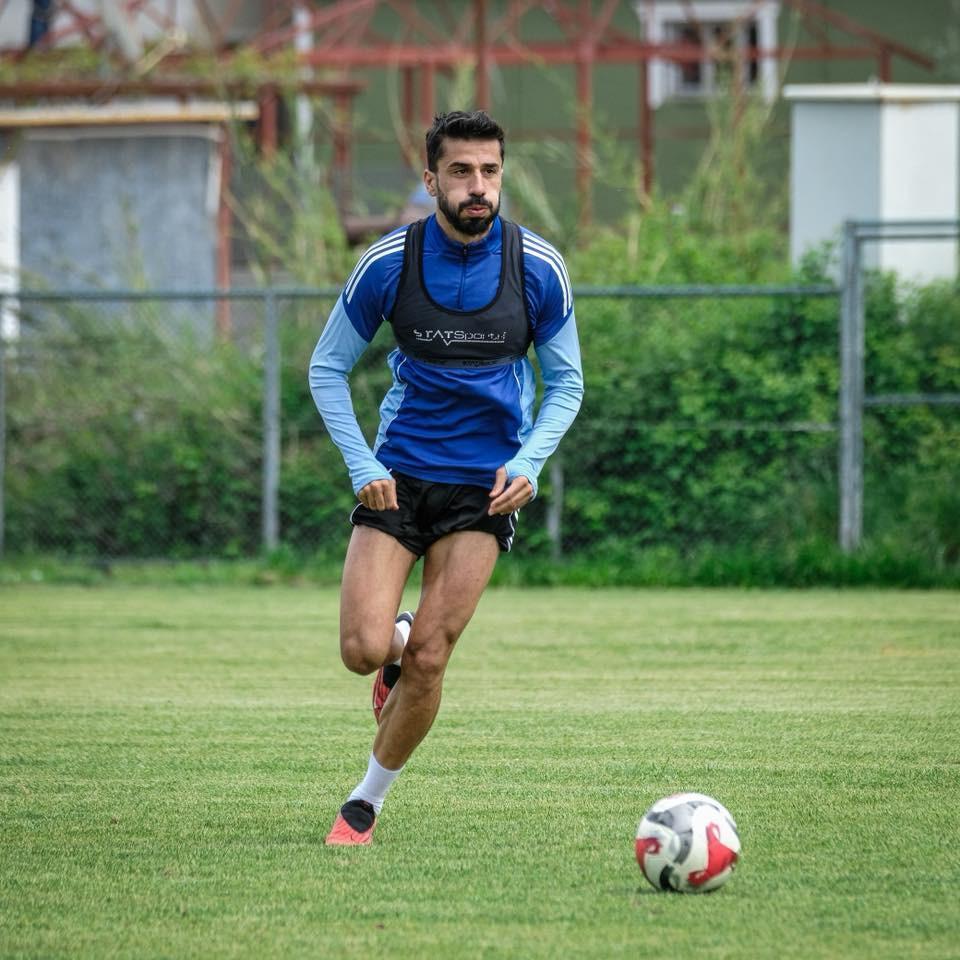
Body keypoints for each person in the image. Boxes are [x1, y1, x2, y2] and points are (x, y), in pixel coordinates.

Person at [308, 110, 583, 845]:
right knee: (362, 651)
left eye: (490, 171)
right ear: (431, 180)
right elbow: (326, 368)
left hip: (484, 489)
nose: (477, 186)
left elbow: (567, 384)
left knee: (432, 656)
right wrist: (362, 464)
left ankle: (364, 804)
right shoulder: (387, 264)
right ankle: (393, 642)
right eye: (461, 171)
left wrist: (529, 464)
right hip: (398, 476)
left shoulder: (538, 267)